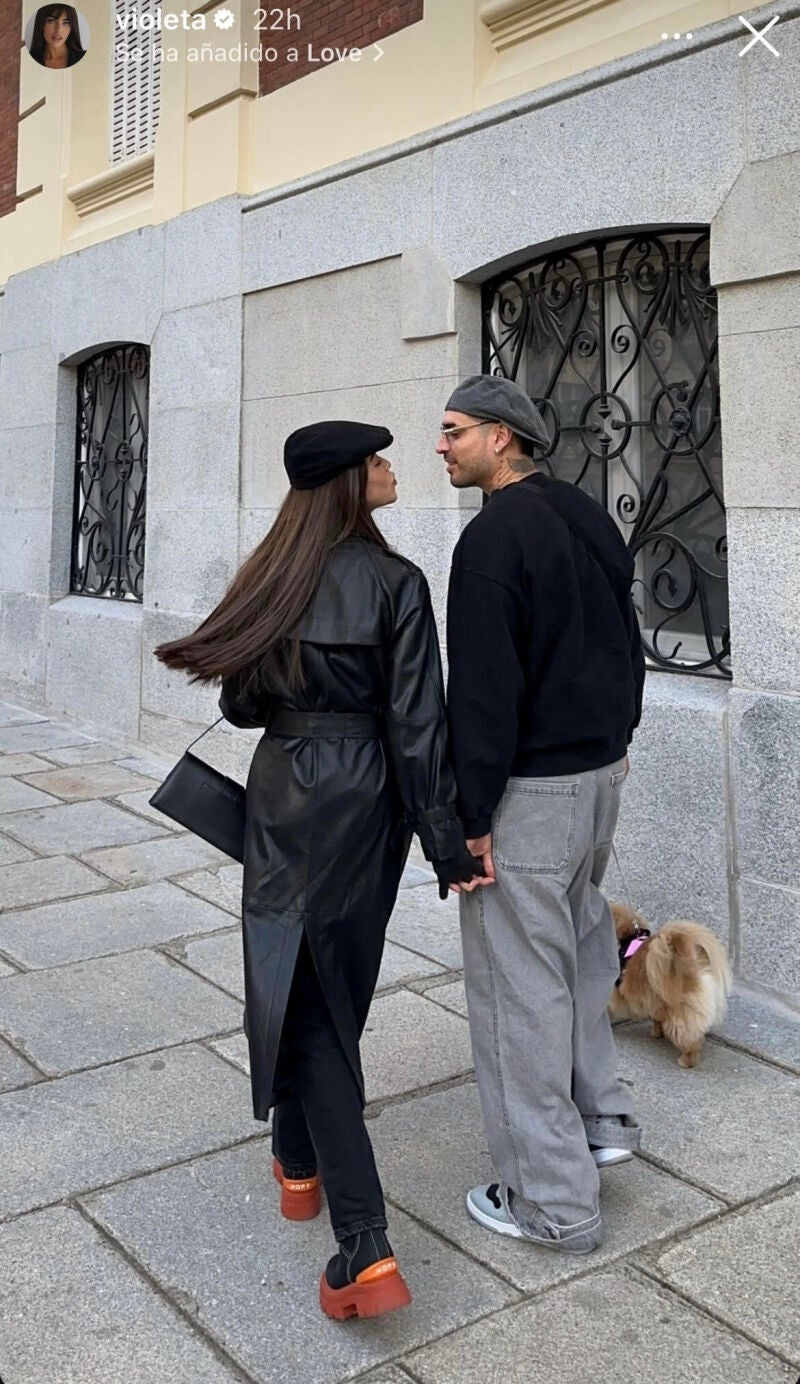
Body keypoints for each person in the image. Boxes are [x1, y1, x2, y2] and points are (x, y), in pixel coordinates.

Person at [156, 421, 485, 1319]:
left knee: (304, 991)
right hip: (366, 806)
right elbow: (419, 730)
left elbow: (239, 704)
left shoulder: (272, 576)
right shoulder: (397, 583)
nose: (390, 468)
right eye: (376, 460)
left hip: (285, 794)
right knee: (327, 989)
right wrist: (444, 841)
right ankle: (330, 1200)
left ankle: (353, 1231)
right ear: (346, 481)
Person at [439, 374, 645, 1255]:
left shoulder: (491, 540)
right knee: (579, 951)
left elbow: (483, 697)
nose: (440, 446)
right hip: (600, 777)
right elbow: (621, 642)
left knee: (517, 990)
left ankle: (553, 1205)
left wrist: (469, 818)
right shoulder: (588, 515)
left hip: (530, 796)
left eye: (452, 431)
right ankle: (604, 1124)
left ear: (500, 437)